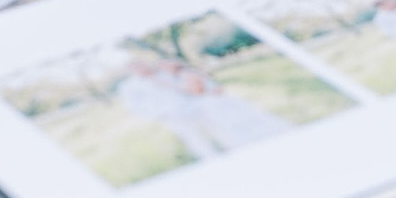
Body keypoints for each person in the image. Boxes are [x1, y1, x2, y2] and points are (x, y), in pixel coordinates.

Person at [115, 56, 284, 159]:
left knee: (218, 128)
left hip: (195, 105)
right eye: (136, 66)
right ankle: (211, 158)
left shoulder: (163, 74)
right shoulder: (130, 86)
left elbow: (189, 84)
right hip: (173, 115)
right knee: (194, 138)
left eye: (142, 64)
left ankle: (236, 149)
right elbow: (135, 107)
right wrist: (161, 114)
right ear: (131, 70)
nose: (142, 67)